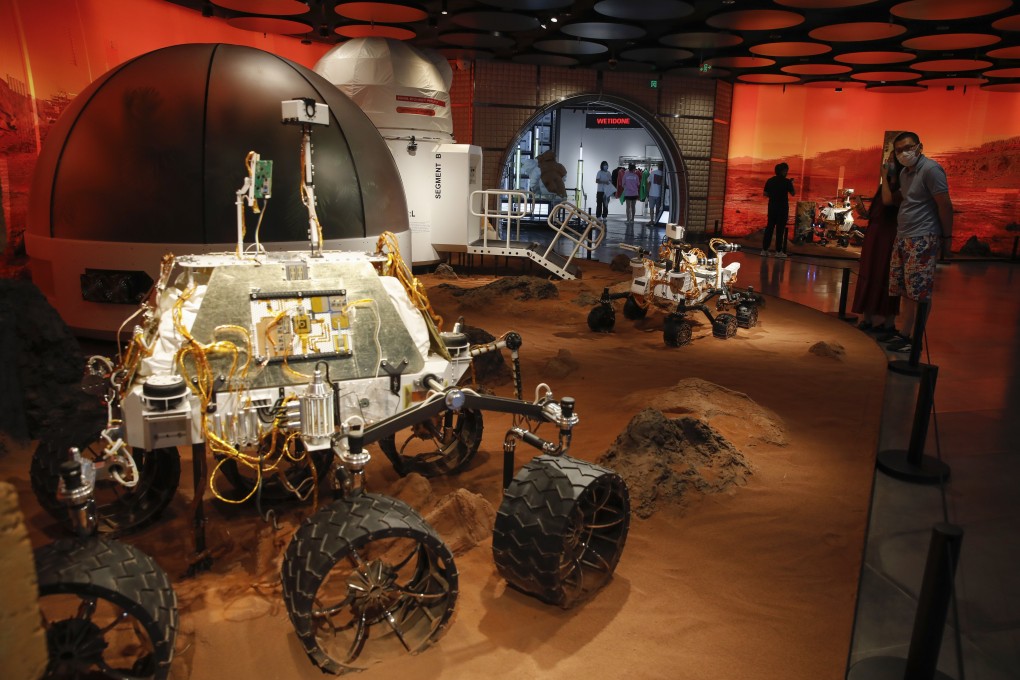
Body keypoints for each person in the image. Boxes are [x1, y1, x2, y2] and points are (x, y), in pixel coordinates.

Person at [884, 131, 953, 353]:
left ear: (919, 146)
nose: (905, 153)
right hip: (904, 235)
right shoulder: (905, 173)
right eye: (899, 149)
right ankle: (904, 333)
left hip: (922, 236)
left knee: (919, 291)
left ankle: (914, 339)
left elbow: (944, 204)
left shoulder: (931, 170)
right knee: (905, 289)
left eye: (908, 147)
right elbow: (905, 201)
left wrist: (946, 237)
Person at [851, 155, 902, 335]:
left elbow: (889, 202)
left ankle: (888, 322)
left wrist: (887, 179)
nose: (887, 164)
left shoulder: (902, 186)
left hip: (888, 235)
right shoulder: (884, 187)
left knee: (886, 274)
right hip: (875, 234)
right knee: (870, 273)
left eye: (891, 161)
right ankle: (868, 317)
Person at [762, 162, 795, 257]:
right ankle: (778, 251)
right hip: (782, 208)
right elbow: (793, 193)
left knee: (769, 228)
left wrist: (773, 195)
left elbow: (765, 193)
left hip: (772, 207)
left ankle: (764, 250)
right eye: (786, 171)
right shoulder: (787, 181)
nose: (787, 172)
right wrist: (791, 184)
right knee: (780, 230)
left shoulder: (770, 180)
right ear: (783, 171)